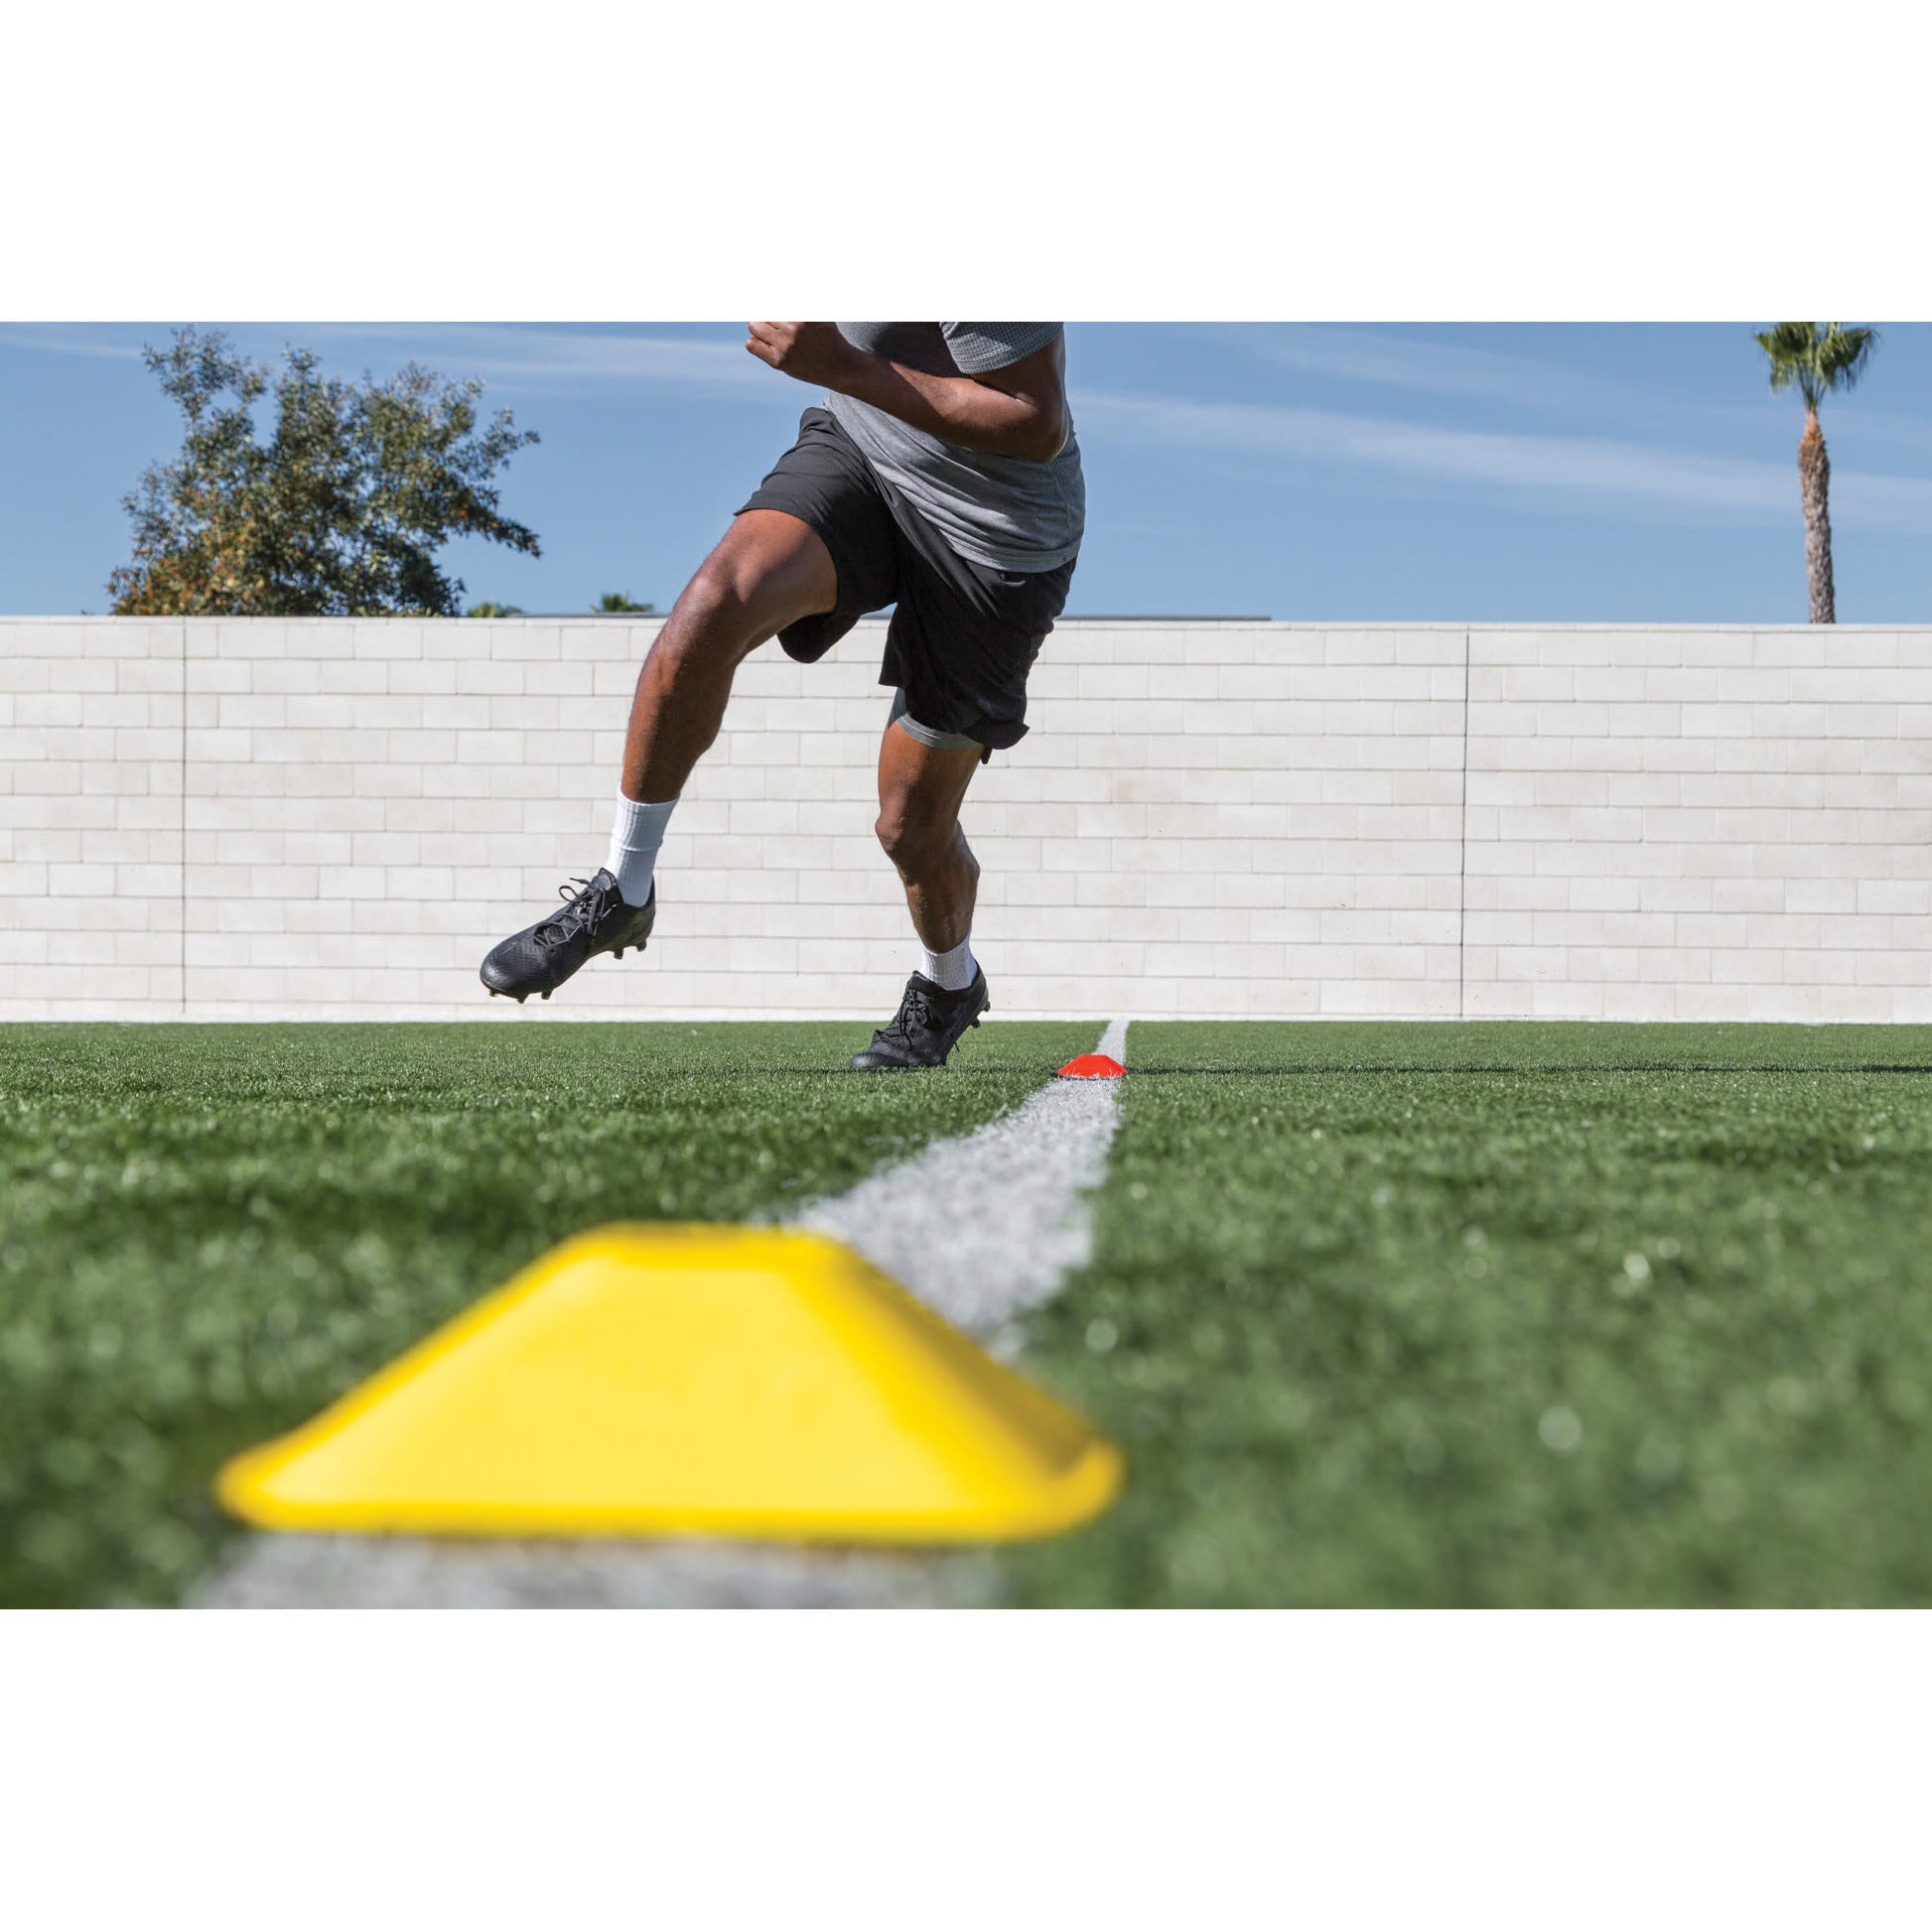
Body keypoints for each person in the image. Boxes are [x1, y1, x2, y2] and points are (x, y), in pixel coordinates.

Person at [480, 322, 1085, 1068]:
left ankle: (949, 984)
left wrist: (839, 364)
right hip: (865, 449)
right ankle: (624, 889)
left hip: (994, 531)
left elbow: (1035, 421)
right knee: (711, 606)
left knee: (910, 828)